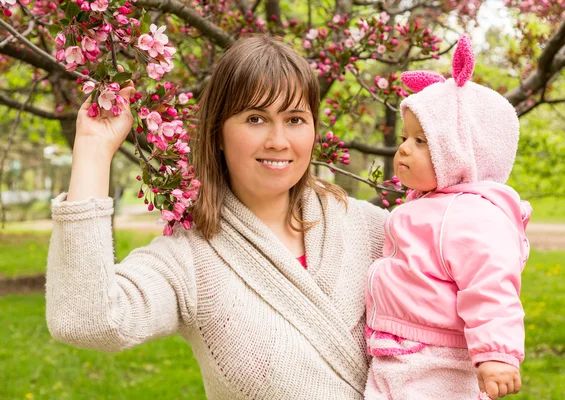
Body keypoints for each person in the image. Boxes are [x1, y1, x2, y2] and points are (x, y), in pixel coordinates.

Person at [45, 35, 389, 399]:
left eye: (295, 119)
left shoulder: (373, 229)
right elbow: (86, 319)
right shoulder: (189, 259)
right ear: (219, 132)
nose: (278, 140)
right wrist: (94, 150)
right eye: (255, 118)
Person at [363, 35, 532, 400]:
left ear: (459, 153)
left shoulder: (471, 216)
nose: (404, 147)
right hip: (403, 349)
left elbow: (492, 281)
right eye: (406, 137)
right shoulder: (432, 205)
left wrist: (497, 354)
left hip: (437, 359)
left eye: (421, 141)